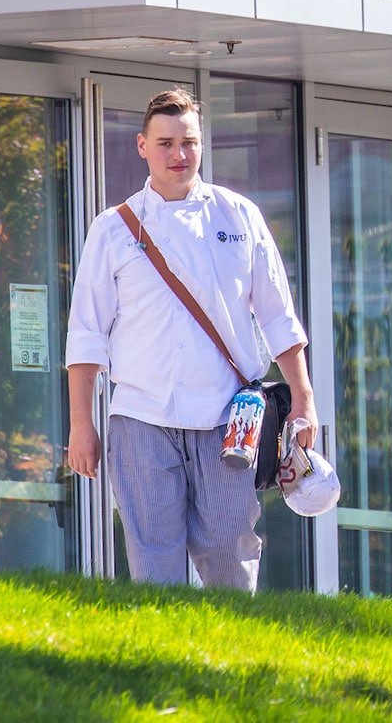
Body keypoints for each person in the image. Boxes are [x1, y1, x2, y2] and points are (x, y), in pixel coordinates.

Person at [63, 88, 316, 589]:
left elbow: (278, 316)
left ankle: (234, 657)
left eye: (189, 142)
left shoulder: (238, 215)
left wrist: (304, 398)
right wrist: (80, 425)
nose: (179, 155)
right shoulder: (112, 230)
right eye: (165, 143)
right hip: (140, 414)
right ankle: (159, 661)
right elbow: (86, 335)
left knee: (229, 551)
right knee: (153, 556)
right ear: (141, 146)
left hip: (228, 415)